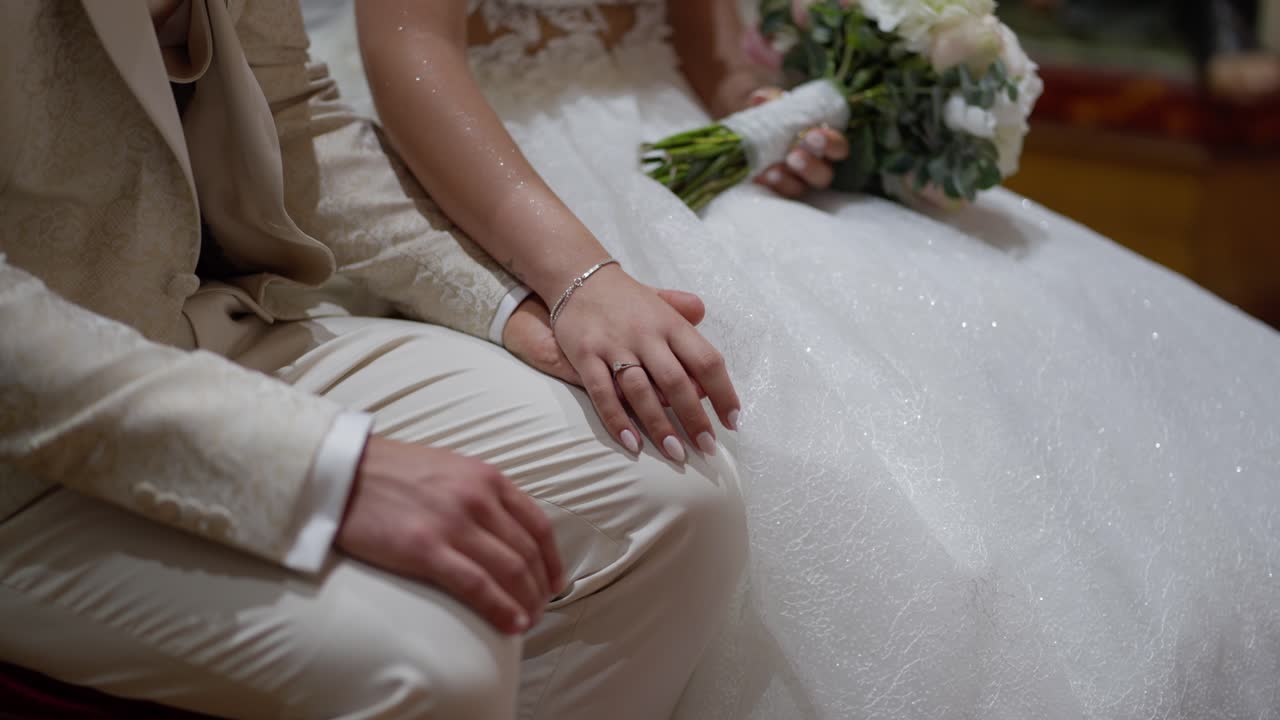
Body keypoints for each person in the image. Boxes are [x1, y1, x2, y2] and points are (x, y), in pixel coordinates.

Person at [301, 0, 1280, 717]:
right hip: (516, 165)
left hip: (682, 144)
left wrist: (762, 117)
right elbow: (410, 57)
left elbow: (707, 56)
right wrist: (573, 275)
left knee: (975, 330)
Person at [0, 1, 747, 718]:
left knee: (680, 502)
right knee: (437, 662)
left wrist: (518, 301)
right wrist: (321, 467)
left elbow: (293, 118)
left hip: (220, 323)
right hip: (24, 453)